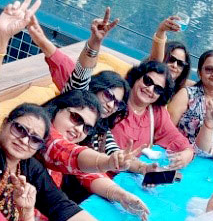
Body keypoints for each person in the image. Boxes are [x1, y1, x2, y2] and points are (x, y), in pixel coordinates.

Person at [0, 0, 142, 221]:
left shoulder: (29, 168)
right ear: (5, 124)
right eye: (20, 130)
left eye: (35, 139)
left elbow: (61, 206)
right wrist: (0, 38)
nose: (25, 140)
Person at [24, 8, 134, 158]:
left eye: (117, 104)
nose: (110, 105)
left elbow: (115, 153)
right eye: (109, 95)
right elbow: (82, 72)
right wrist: (95, 42)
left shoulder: (101, 129)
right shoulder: (76, 99)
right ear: (97, 88)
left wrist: (139, 165)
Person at [38, 89, 149, 219]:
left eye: (87, 128)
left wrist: (121, 195)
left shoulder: (76, 142)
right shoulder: (40, 131)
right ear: (58, 108)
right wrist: (108, 162)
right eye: (76, 118)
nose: (79, 130)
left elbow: (89, 174)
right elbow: (67, 152)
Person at [111, 60, 195, 170]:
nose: (150, 89)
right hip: (102, 170)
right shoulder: (115, 99)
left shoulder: (155, 112)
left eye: (157, 89)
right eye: (147, 81)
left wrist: (188, 153)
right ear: (137, 77)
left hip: (132, 173)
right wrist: (142, 168)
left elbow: (175, 137)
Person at [148, 15, 191, 102]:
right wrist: (161, 31)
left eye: (180, 64)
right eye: (171, 59)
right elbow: (156, 62)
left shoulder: (179, 93)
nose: (175, 65)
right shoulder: (147, 78)